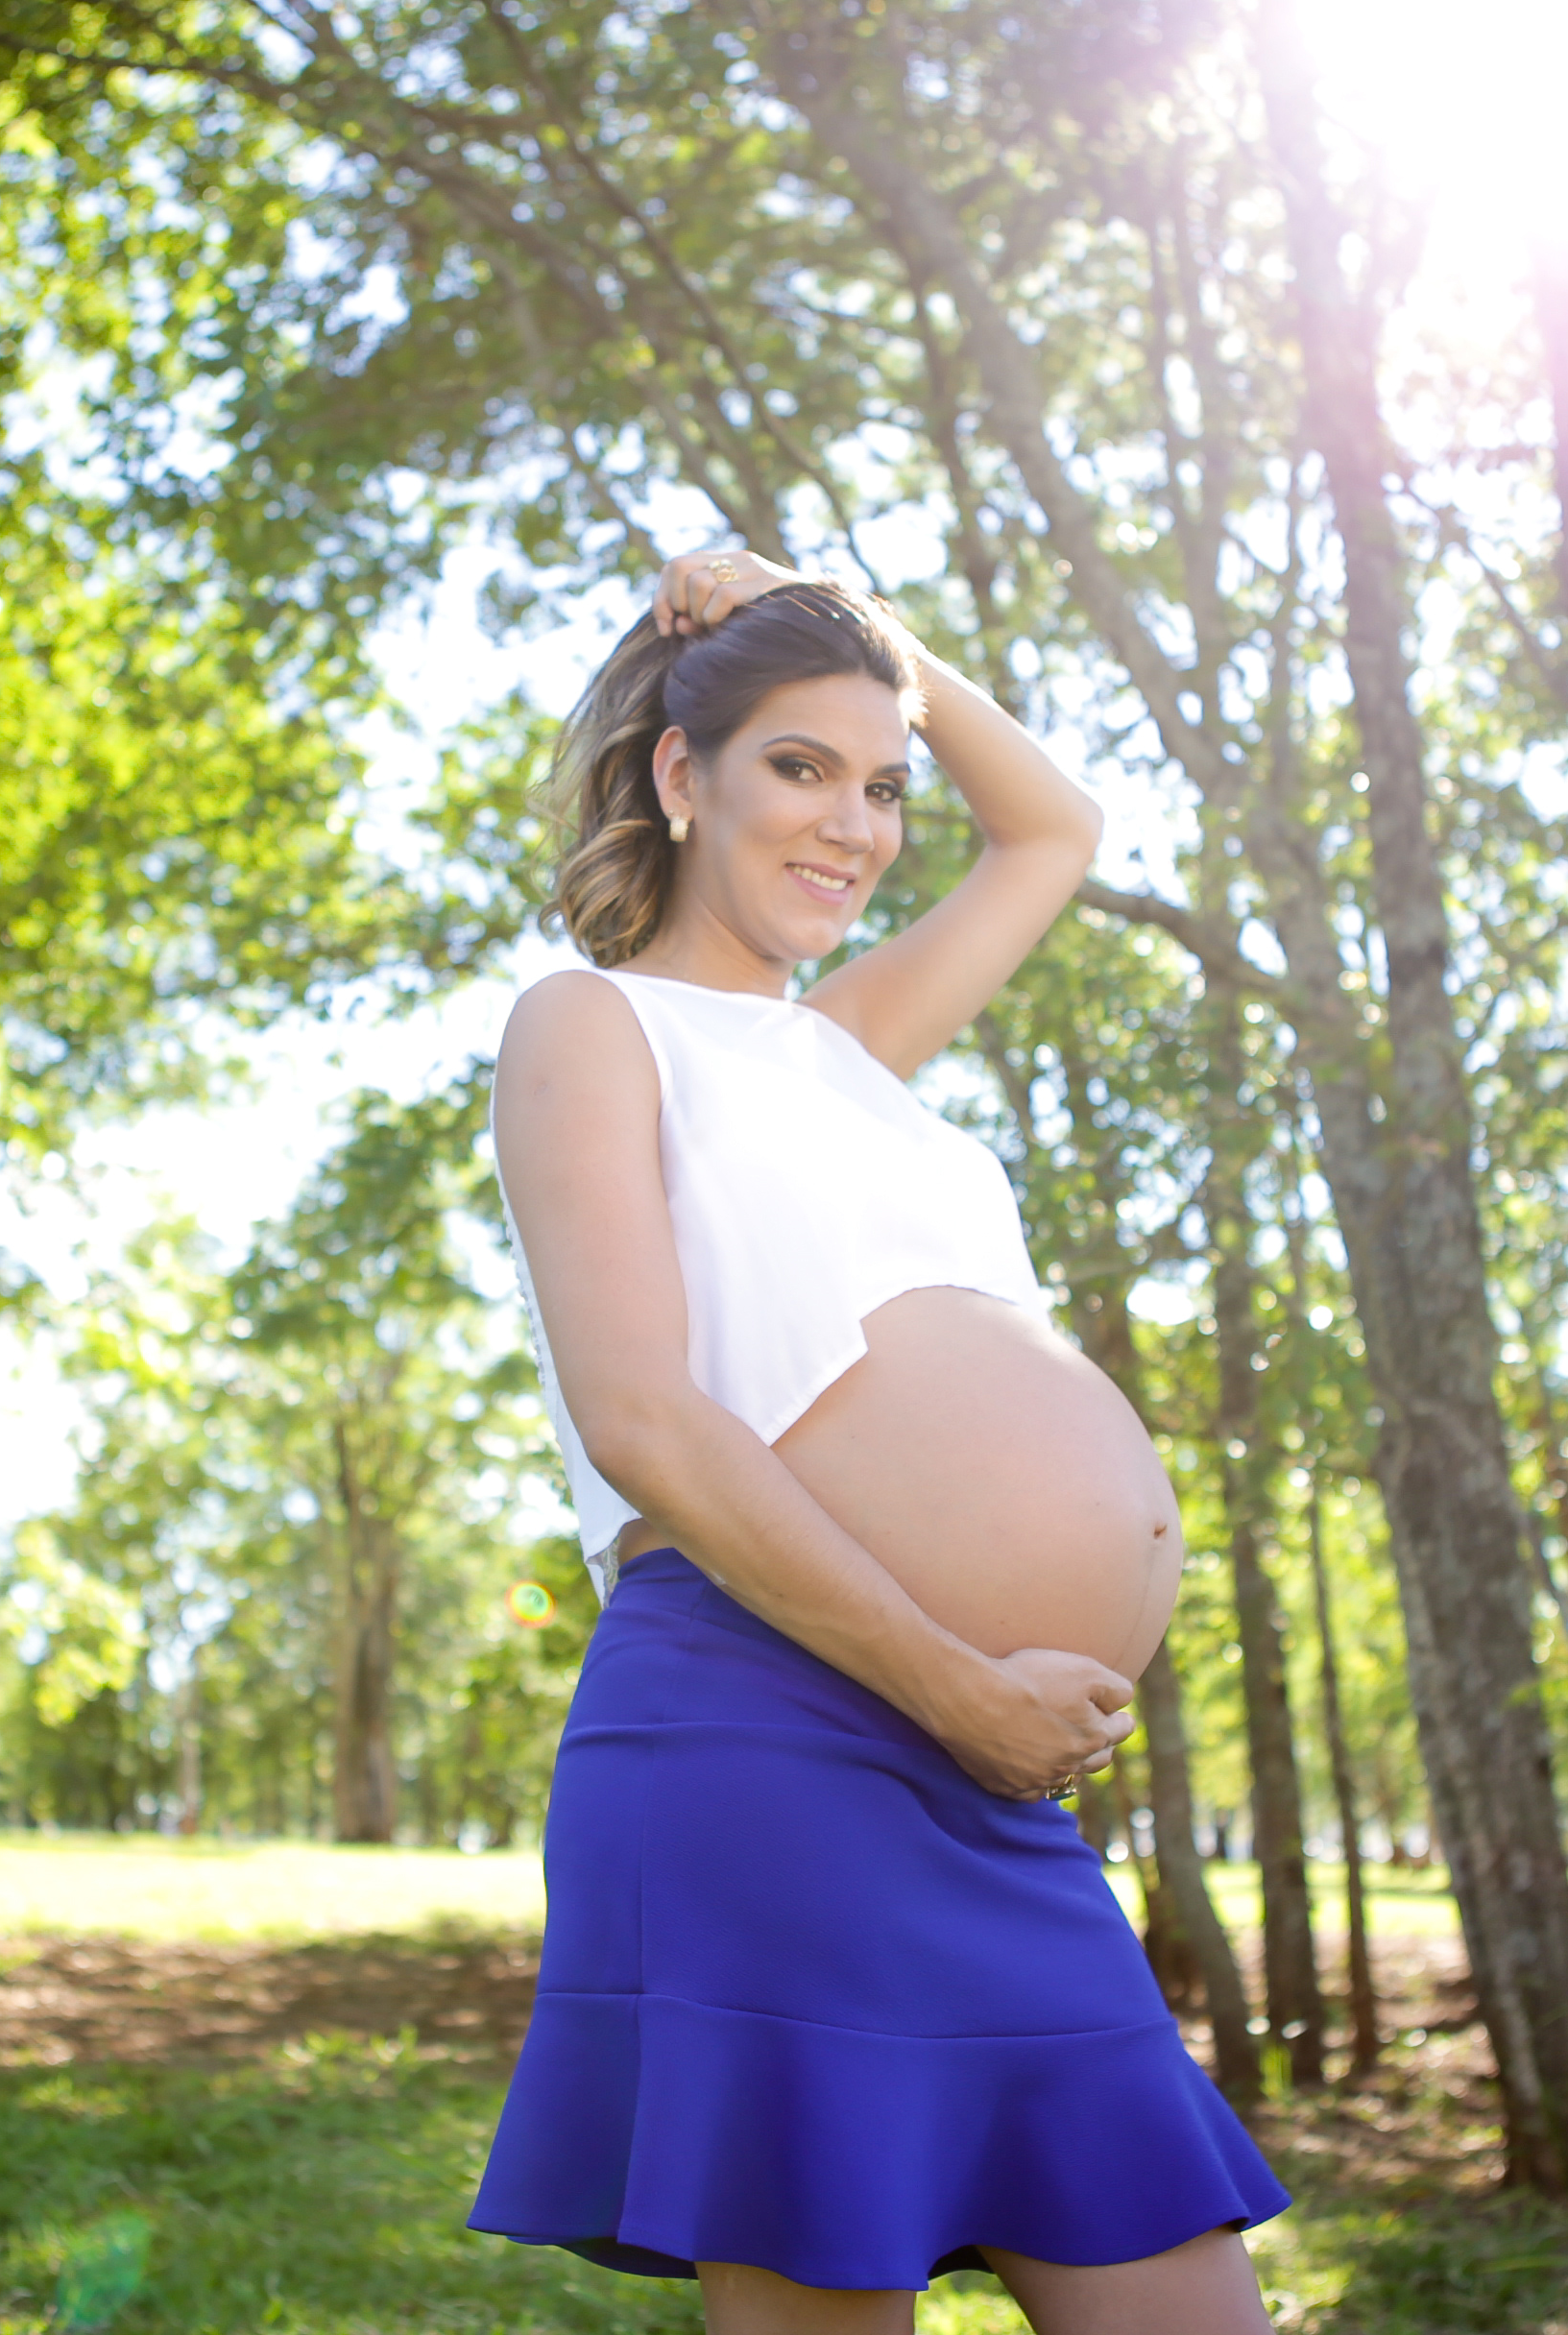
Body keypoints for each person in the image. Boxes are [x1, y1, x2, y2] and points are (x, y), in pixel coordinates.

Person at [470, 544, 1286, 2334]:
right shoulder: (593, 1025)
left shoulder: (843, 1050)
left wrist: (845, 616)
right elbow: (644, 1417)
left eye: (885, 784)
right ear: (681, 775)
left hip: (980, 1773)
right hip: (771, 1721)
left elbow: (1055, 830)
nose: (852, 825)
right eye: (799, 767)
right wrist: (955, 1686)